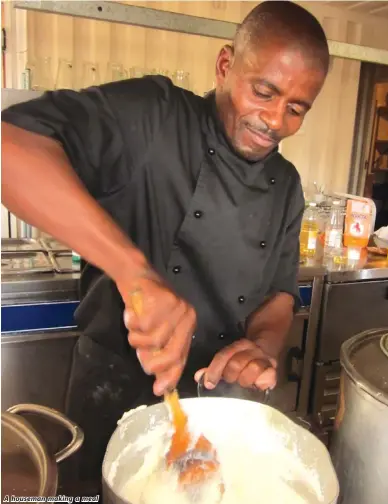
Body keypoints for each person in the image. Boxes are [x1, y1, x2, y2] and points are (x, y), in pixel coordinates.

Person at [2, 0, 329, 496]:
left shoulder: (286, 185)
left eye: (297, 108)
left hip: (220, 401)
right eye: (264, 92)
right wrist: (137, 274)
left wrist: (261, 347)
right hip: (112, 385)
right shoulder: (154, 116)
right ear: (225, 66)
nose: (275, 120)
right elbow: (10, 146)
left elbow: (279, 295)